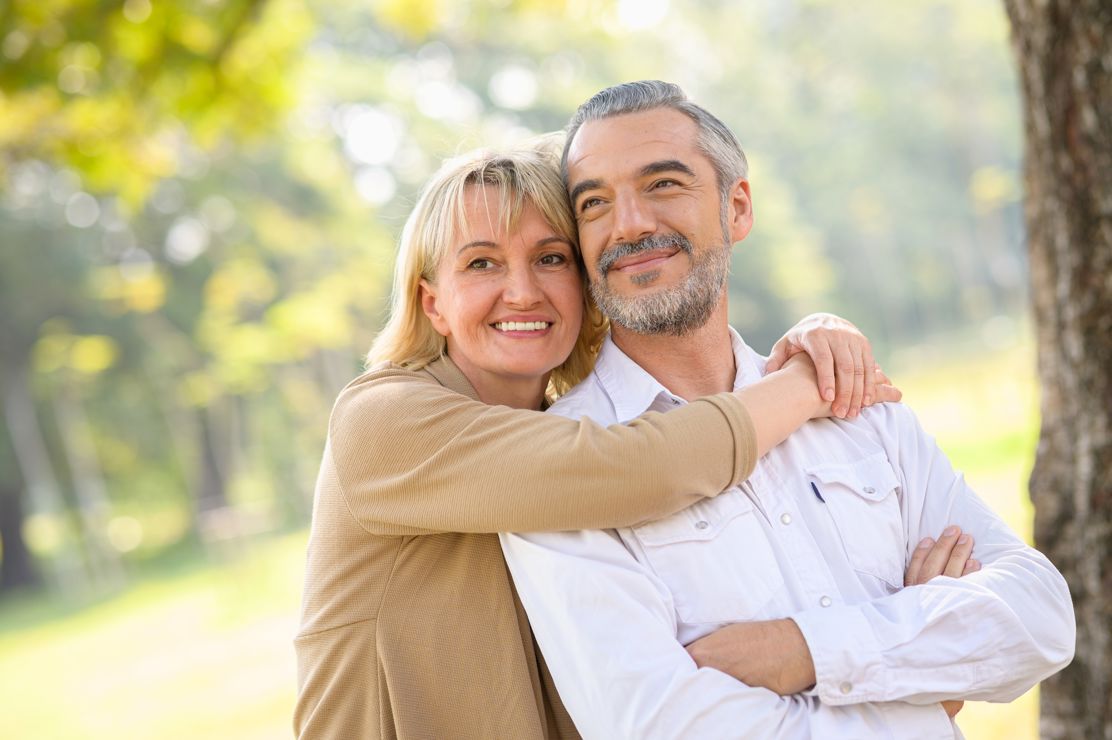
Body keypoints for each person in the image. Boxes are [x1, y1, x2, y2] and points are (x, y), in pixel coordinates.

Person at [500, 80, 1076, 739]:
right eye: (594, 202)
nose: (628, 224)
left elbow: (1041, 618)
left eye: (662, 184)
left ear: (737, 208)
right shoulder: (558, 469)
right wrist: (922, 684)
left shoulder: (854, 403)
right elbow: (663, 727)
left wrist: (800, 650)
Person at [293, 142, 902, 739]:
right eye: (481, 263)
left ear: (588, 286)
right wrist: (806, 382)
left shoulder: (571, 427)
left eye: (552, 258)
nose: (523, 291)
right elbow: (639, 467)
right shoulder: (383, 420)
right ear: (433, 303)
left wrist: (907, 660)